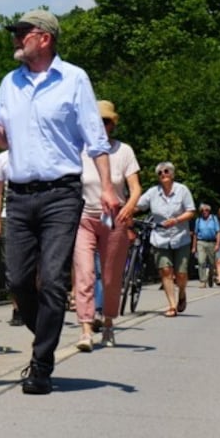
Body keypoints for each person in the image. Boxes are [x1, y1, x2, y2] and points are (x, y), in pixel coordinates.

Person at [0, 10, 120, 394]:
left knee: (53, 279)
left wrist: (108, 188)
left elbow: (95, 140)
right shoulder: (9, 83)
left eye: (22, 33)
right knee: (17, 279)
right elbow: (4, 142)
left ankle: (41, 365)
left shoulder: (74, 79)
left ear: (43, 38)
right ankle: (47, 329)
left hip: (61, 194)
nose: (15, 38)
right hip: (20, 194)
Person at [72, 100, 142, 352]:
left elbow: (135, 188)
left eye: (105, 121)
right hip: (84, 219)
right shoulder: (78, 150)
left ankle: (109, 324)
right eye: (96, 121)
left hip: (115, 221)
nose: (101, 125)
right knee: (85, 274)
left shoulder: (124, 151)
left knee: (111, 278)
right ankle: (86, 329)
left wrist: (129, 206)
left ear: (112, 125)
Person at [133, 162, 195, 317]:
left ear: (172, 174)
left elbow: (191, 211)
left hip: (180, 237)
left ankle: (182, 292)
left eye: (166, 171)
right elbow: (139, 206)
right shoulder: (153, 192)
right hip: (160, 237)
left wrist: (176, 220)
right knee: (166, 271)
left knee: (181, 273)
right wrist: (126, 210)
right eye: (160, 173)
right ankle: (172, 306)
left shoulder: (182, 190)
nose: (163, 174)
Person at [0, 150, 23, 326]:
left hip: (33, 215)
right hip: (8, 216)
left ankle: (36, 305)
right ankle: (17, 307)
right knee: (11, 265)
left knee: (37, 265)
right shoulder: (3, 158)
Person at [191, 203, 220, 288]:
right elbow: (195, 234)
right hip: (201, 242)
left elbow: (218, 232)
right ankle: (203, 281)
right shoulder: (198, 220)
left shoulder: (214, 219)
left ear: (209, 211)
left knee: (212, 263)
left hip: (212, 242)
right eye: (202, 210)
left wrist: (218, 244)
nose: (204, 212)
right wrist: (194, 247)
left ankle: (211, 277)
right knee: (201, 261)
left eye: (206, 210)